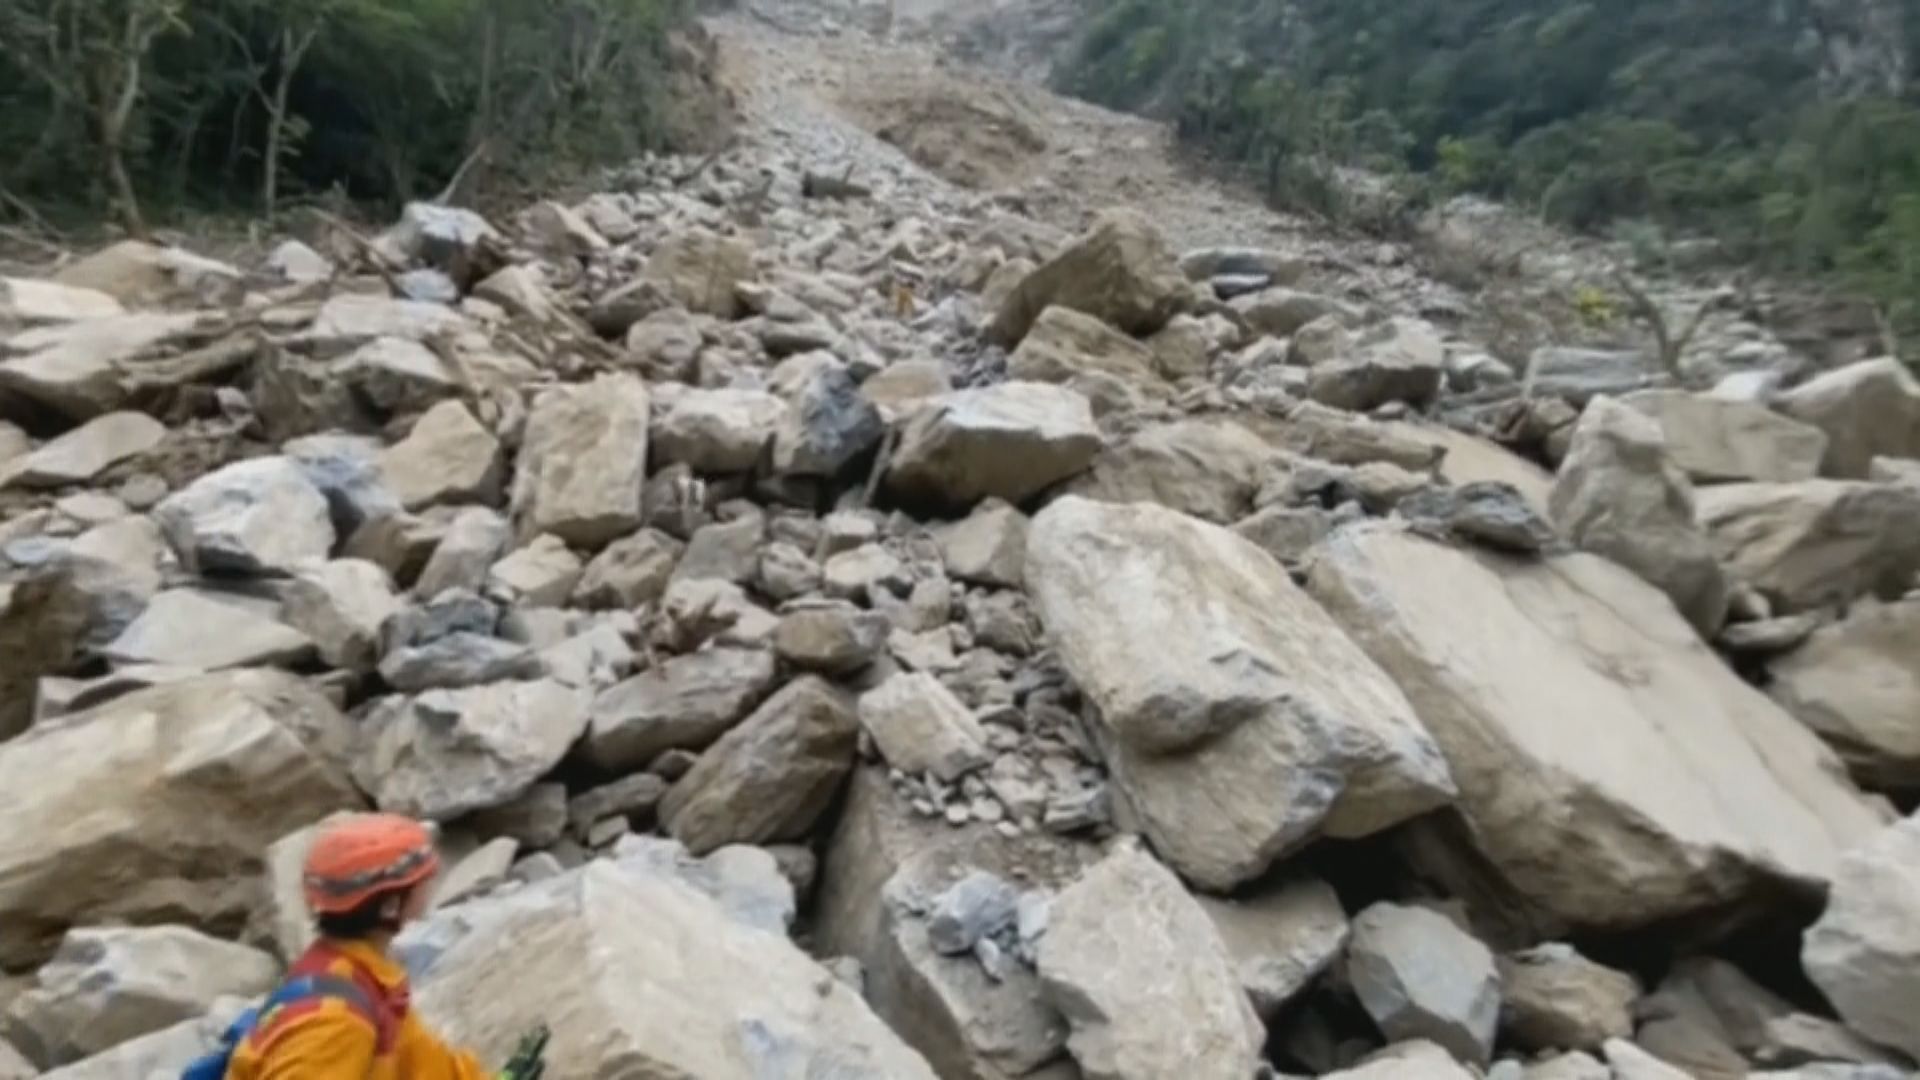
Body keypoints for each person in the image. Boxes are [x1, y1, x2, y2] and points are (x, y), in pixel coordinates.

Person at [219, 813, 540, 1080]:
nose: (431, 885)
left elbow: (422, 1066)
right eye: (422, 881)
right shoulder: (336, 1022)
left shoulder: (357, 977)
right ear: (389, 906)